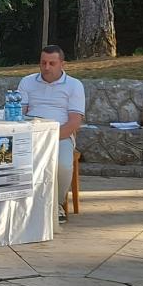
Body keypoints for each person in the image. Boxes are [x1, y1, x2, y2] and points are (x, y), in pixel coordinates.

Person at [17, 45, 85, 224]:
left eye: (52, 63)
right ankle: (19, 205)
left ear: (62, 64)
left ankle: (57, 204)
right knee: (7, 159)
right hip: (31, 134)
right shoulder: (27, 82)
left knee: (63, 165)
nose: (46, 67)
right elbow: (18, 114)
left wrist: (50, 137)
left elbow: (74, 122)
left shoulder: (74, 85)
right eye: (43, 63)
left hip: (60, 135)